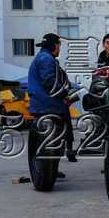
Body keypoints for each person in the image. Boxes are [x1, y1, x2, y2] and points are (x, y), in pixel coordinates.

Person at [27, 33, 76, 172]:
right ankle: (47, 171)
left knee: (55, 141)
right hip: (48, 106)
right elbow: (49, 81)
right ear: (55, 45)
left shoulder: (43, 57)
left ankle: (50, 170)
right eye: (59, 45)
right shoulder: (46, 59)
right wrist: (65, 94)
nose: (60, 48)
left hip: (45, 105)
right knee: (53, 141)